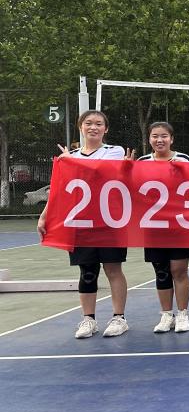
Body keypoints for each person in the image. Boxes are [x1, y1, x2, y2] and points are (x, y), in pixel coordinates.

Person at [37, 109, 131, 339]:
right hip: (80, 221)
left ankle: (119, 318)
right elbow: (58, 189)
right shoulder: (70, 157)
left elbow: (100, 171)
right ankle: (88, 319)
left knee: (113, 268)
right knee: (87, 271)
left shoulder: (115, 151)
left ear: (105, 129)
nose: (93, 127)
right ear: (81, 127)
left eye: (98, 123)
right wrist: (44, 215)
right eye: (88, 123)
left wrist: (71, 162)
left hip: (110, 220)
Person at [137, 121, 189, 333]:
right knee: (161, 272)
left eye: (164, 136)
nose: (159, 140)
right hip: (154, 225)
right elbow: (132, 187)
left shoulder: (183, 159)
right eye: (155, 136)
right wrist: (126, 169)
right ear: (149, 139)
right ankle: (166, 315)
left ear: (172, 139)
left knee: (179, 270)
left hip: (180, 224)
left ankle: (182, 314)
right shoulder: (142, 162)